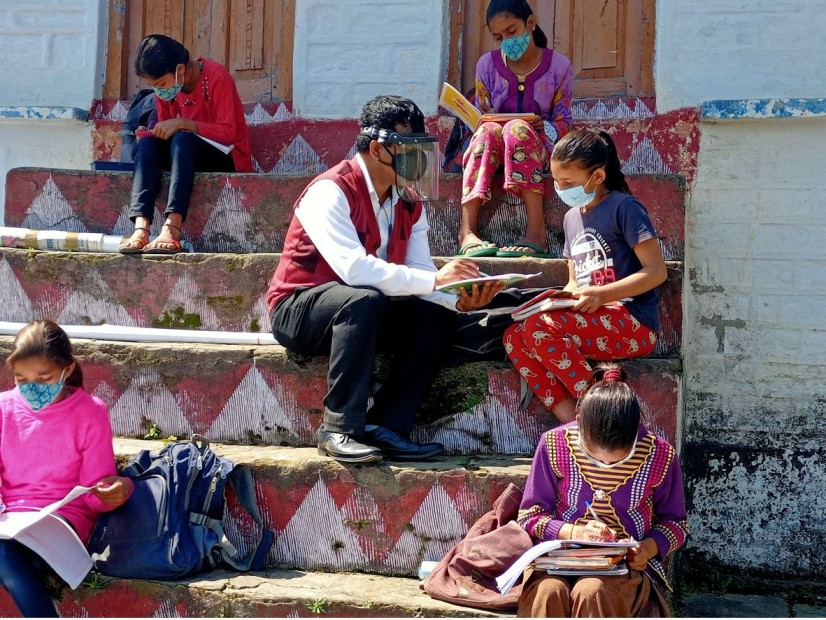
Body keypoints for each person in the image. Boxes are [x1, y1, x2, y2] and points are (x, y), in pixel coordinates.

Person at [267, 95, 503, 464]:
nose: (418, 160)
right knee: (363, 298)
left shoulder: (408, 201)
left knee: (435, 318)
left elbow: (423, 275)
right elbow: (355, 271)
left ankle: (387, 426)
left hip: (369, 311)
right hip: (301, 308)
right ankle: (339, 428)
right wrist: (436, 283)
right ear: (378, 149)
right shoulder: (330, 191)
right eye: (408, 149)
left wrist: (458, 300)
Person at [504, 129, 667, 423]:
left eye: (569, 182)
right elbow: (574, 280)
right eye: (556, 181)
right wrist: (560, 299)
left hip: (632, 322)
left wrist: (602, 294)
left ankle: (600, 415)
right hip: (590, 317)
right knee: (514, 336)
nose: (561, 188)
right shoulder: (571, 218)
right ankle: (572, 423)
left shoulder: (625, 208)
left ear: (598, 177)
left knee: (540, 328)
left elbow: (656, 272)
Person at [516, 365, 688, 617]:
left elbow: (676, 524)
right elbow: (529, 516)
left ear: (636, 432)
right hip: (556, 562)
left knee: (592, 590)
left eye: (619, 458)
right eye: (595, 457)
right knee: (549, 592)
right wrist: (576, 531)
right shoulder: (554, 445)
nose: (606, 464)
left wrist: (647, 549)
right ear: (580, 423)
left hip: (623, 569)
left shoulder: (659, 455)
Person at [0, 320, 133, 617]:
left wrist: (116, 491)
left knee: (2, 554)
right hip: (8, 520)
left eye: (44, 378)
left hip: (62, 522)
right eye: (21, 379)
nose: (32, 389)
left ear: (67, 370)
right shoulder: (3, 409)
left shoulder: (89, 412)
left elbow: (93, 493)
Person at [459, 0, 573, 258]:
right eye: (498, 37)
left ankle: (536, 233)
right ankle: (467, 231)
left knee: (517, 129)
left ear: (530, 23)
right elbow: (481, 114)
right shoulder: (486, 65)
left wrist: (544, 126)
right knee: (487, 132)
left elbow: (564, 123)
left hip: (538, 150)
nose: (506, 41)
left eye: (512, 32)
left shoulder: (559, 67)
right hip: (492, 150)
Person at [119, 34, 253, 255]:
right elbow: (165, 128)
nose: (159, 91)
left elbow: (229, 133)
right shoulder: (165, 91)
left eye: (161, 84)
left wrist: (183, 123)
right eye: (154, 86)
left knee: (183, 138)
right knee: (147, 145)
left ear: (180, 69)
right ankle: (141, 227)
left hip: (226, 155)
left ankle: (172, 227)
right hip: (182, 154)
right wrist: (152, 131)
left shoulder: (217, 76)